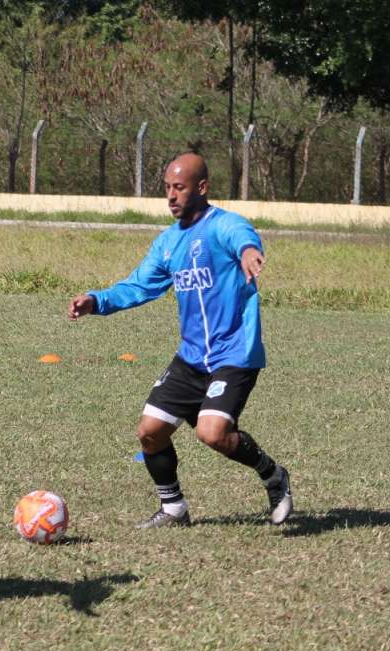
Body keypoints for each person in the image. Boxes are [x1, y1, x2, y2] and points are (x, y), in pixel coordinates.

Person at [68, 152, 293, 528]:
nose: (171, 196)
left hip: (233, 354)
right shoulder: (168, 243)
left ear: (201, 188)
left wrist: (250, 251)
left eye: (180, 188)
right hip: (191, 359)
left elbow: (243, 237)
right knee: (150, 432)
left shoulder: (224, 226)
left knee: (213, 434)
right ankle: (173, 508)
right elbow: (139, 286)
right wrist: (97, 301)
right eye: (168, 188)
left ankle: (274, 476)